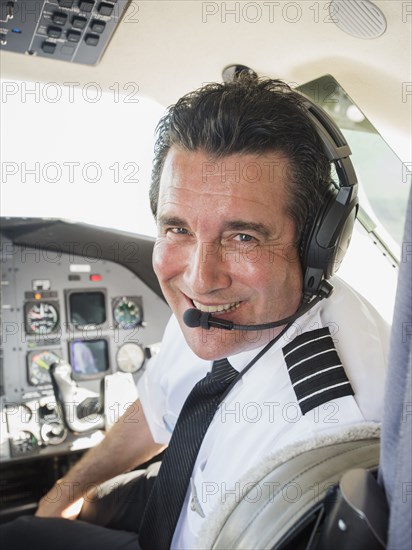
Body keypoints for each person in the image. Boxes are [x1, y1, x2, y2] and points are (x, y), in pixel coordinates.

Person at [0, 76, 388, 549]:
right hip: (183, 498)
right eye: (178, 228)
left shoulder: (330, 427)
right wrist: (62, 494)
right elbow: (157, 407)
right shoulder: (219, 307)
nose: (200, 279)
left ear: (316, 250)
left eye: (243, 236)